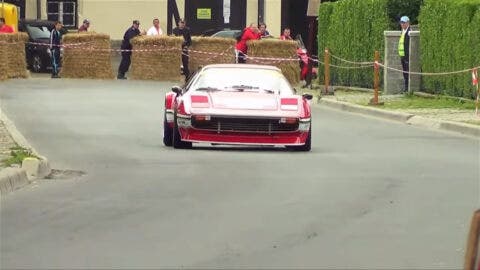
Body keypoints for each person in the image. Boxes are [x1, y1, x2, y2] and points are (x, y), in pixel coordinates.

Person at [398, 16, 411, 93]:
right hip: (402, 56)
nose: (402, 24)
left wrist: (407, 57)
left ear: (408, 23)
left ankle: (407, 89)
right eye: (401, 22)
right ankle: (406, 89)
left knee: (407, 72)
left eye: (403, 22)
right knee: (404, 72)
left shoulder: (409, 32)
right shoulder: (402, 31)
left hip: (407, 56)